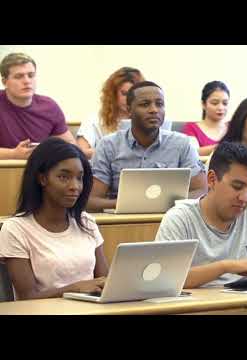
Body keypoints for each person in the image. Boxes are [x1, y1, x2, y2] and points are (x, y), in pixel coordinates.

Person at [155, 141, 247, 288]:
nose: (244, 198)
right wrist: (225, 267)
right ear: (211, 179)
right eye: (237, 187)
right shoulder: (179, 218)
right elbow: (166, 279)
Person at [0, 138, 109, 300]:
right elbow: (27, 297)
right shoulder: (15, 229)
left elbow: (105, 282)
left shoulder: (87, 222)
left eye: (79, 178)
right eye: (64, 177)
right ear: (42, 178)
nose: (75, 186)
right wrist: (75, 288)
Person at [88, 81, 207, 212]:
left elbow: (201, 191)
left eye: (159, 104)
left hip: (171, 220)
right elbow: (91, 201)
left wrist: (162, 203)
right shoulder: (108, 145)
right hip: (120, 222)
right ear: (129, 110)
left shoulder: (182, 144)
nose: (154, 110)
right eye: (145, 104)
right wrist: (128, 204)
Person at [0, 52, 75, 160]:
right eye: (19, 76)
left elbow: (71, 146)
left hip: (39, 171)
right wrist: (13, 154)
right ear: (5, 82)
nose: (27, 81)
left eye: (31, 75)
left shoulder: (49, 107)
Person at [76, 67, 145, 159]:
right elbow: (81, 151)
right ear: (113, 94)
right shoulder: (94, 119)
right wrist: (111, 152)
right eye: (124, 94)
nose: (128, 99)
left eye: (133, 94)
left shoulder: (147, 118)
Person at [182, 81, 230, 156]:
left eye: (225, 103)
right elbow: (192, 152)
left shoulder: (233, 127)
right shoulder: (191, 127)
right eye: (215, 103)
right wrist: (223, 147)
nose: (221, 108)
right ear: (203, 104)